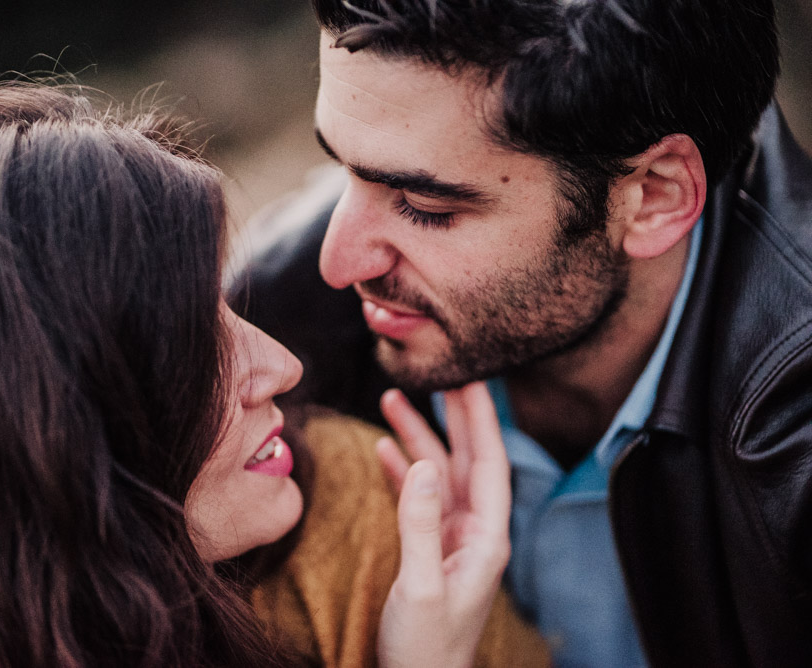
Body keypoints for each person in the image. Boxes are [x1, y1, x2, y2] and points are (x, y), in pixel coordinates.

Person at [0, 83, 547, 667]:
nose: (283, 369)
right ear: (22, 437)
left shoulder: (359, 532)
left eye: (222, 310)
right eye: (192, 345)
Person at [229, 1, 812, 666]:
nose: (338, 263)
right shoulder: (264, 326)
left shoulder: (797, 438)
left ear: (653, 196)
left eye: (426, 208)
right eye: (344, 171)